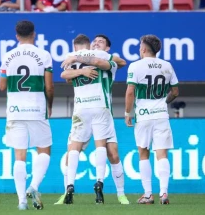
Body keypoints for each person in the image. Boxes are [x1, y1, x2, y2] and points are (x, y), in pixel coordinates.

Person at [54, 34, 129, 205]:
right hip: (97, 109)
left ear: (108, 48)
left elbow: (116, 62)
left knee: (112, 154)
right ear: (89, 45)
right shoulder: (90, 56)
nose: (96, 43)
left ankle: (119, 193)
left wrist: (76, 58)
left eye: (101, 42)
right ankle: (88, 186)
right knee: (89, 147)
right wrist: (80, 68)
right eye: (94, 41)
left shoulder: (96, 56)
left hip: (87, 109)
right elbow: (66, 75)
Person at [0, 20, 54, 211]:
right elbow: (49, 86)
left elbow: (2, 85)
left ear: (16, 35)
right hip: (37, 108)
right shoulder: (44, 55)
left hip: (15, 109)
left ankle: (22, 200)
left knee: (19, 156)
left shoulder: (8, 56)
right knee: (44, 150)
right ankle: (34, 186)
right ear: (34, 34)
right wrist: (50, 105)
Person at [124, 34, 179, 205]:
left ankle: (148, 194)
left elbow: (130, 91)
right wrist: (163, 102)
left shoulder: (135, 66)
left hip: (144, 116)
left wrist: (128, 113)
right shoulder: (167, 66)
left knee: (143, 154)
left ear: (143, 49)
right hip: (162, 115)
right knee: (162, 154)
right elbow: (175, 92)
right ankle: (163, 192)